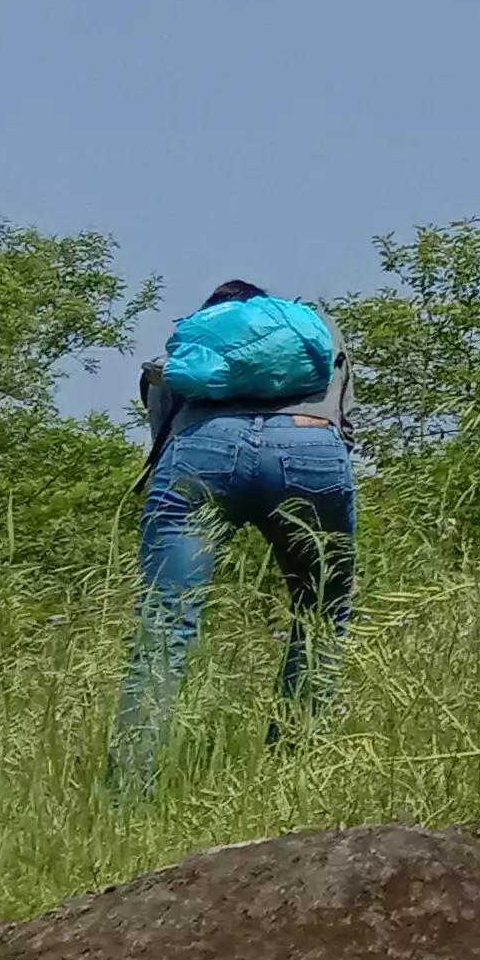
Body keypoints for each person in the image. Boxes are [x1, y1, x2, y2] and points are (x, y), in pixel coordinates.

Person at [109, 280, 356, 795]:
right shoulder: (318, 331)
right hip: (310, 444)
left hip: (203, 452)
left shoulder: (192, 343)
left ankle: (128, 797)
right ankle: (292, 774)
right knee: (319, 613)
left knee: (164, 629)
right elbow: (346, 424)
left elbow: (163, 435)